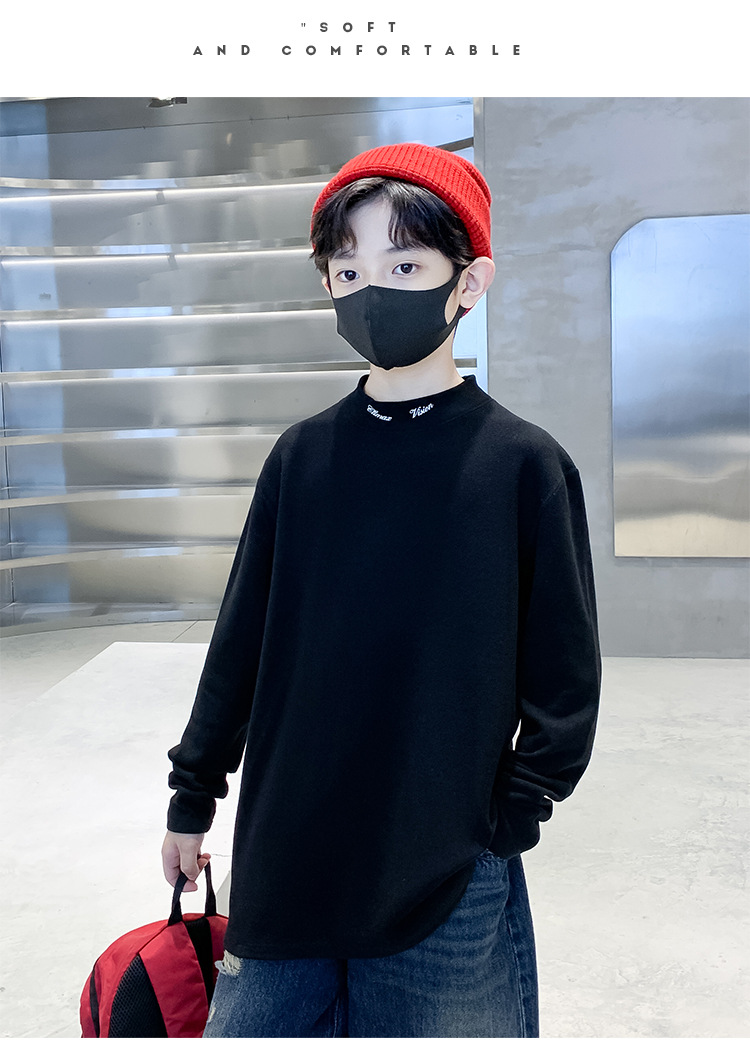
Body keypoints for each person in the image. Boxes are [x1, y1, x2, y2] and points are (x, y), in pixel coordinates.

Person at [161, 142, 601, 1038]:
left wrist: (509, 818)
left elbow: (565, 680)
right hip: (287, 849)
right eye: (348, 269)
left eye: (404, 266)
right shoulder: (301, 457)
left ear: (469, 283)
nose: (371, 291)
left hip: (442, 864)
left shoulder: (522, 466)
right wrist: (192, 795)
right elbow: (240, 642)